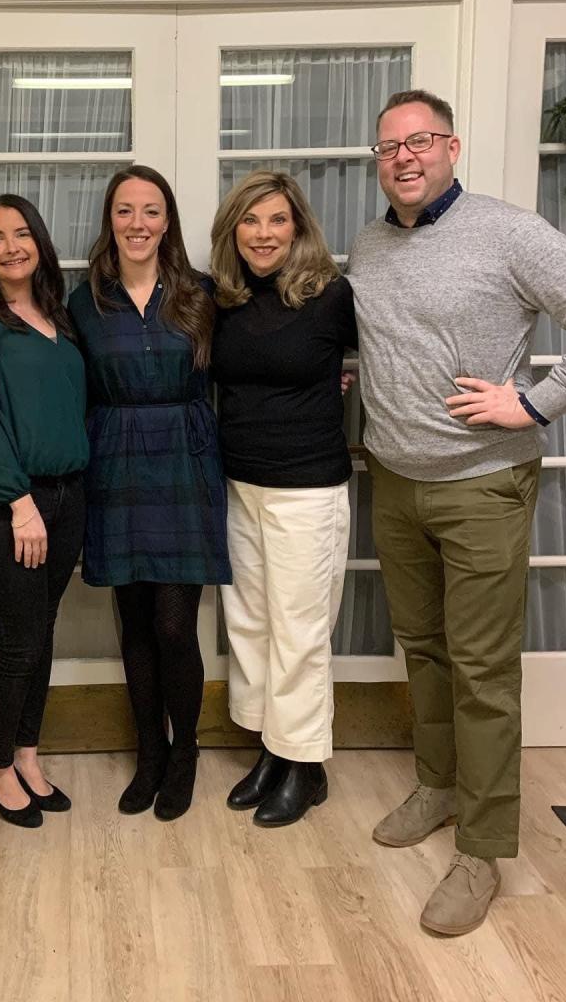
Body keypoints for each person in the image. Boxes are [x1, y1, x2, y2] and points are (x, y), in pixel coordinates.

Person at [348, 87, 566, 936]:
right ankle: (437, 785)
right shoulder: (369, 246)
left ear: (452, 147)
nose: (403, 157)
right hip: (395, 482)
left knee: (482, 670)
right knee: (427, 650)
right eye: (388, 146)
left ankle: (482, 851)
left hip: (483, 484)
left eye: (420, 141)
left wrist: (538, 404)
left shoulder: (510, 232)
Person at [68, 166, 230, 822]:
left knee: (173, 623)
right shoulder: (85, 301)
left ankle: (185, 752)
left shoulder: (201, 294)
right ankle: (150, 754)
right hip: (114, 458)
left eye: (151, 211)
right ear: (111, 220)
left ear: (168, 221)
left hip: (185, 460)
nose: (138, 223)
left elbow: (250, 363)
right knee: (133, 622)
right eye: (125, 211)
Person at [210, 170, 357, 827]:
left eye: (276, 220)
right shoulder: (224, 299)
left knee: (299, 634)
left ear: (297, 226)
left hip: (308, 490)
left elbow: (378, 365)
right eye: (250, 221)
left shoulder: (331, 296)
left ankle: (305, 767)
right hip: (240, 484)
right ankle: (272, 747)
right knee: (251, 626)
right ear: (233, 232)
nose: (263, 234)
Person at [0, 194, 88, 828]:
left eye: (22, 233)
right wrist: (19, 503)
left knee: (42, 632)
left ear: (40, 242)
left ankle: (27, 752)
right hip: (7, 504)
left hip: (68, 497)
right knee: (20, 641)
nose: (11, 247)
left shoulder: (59, 315)